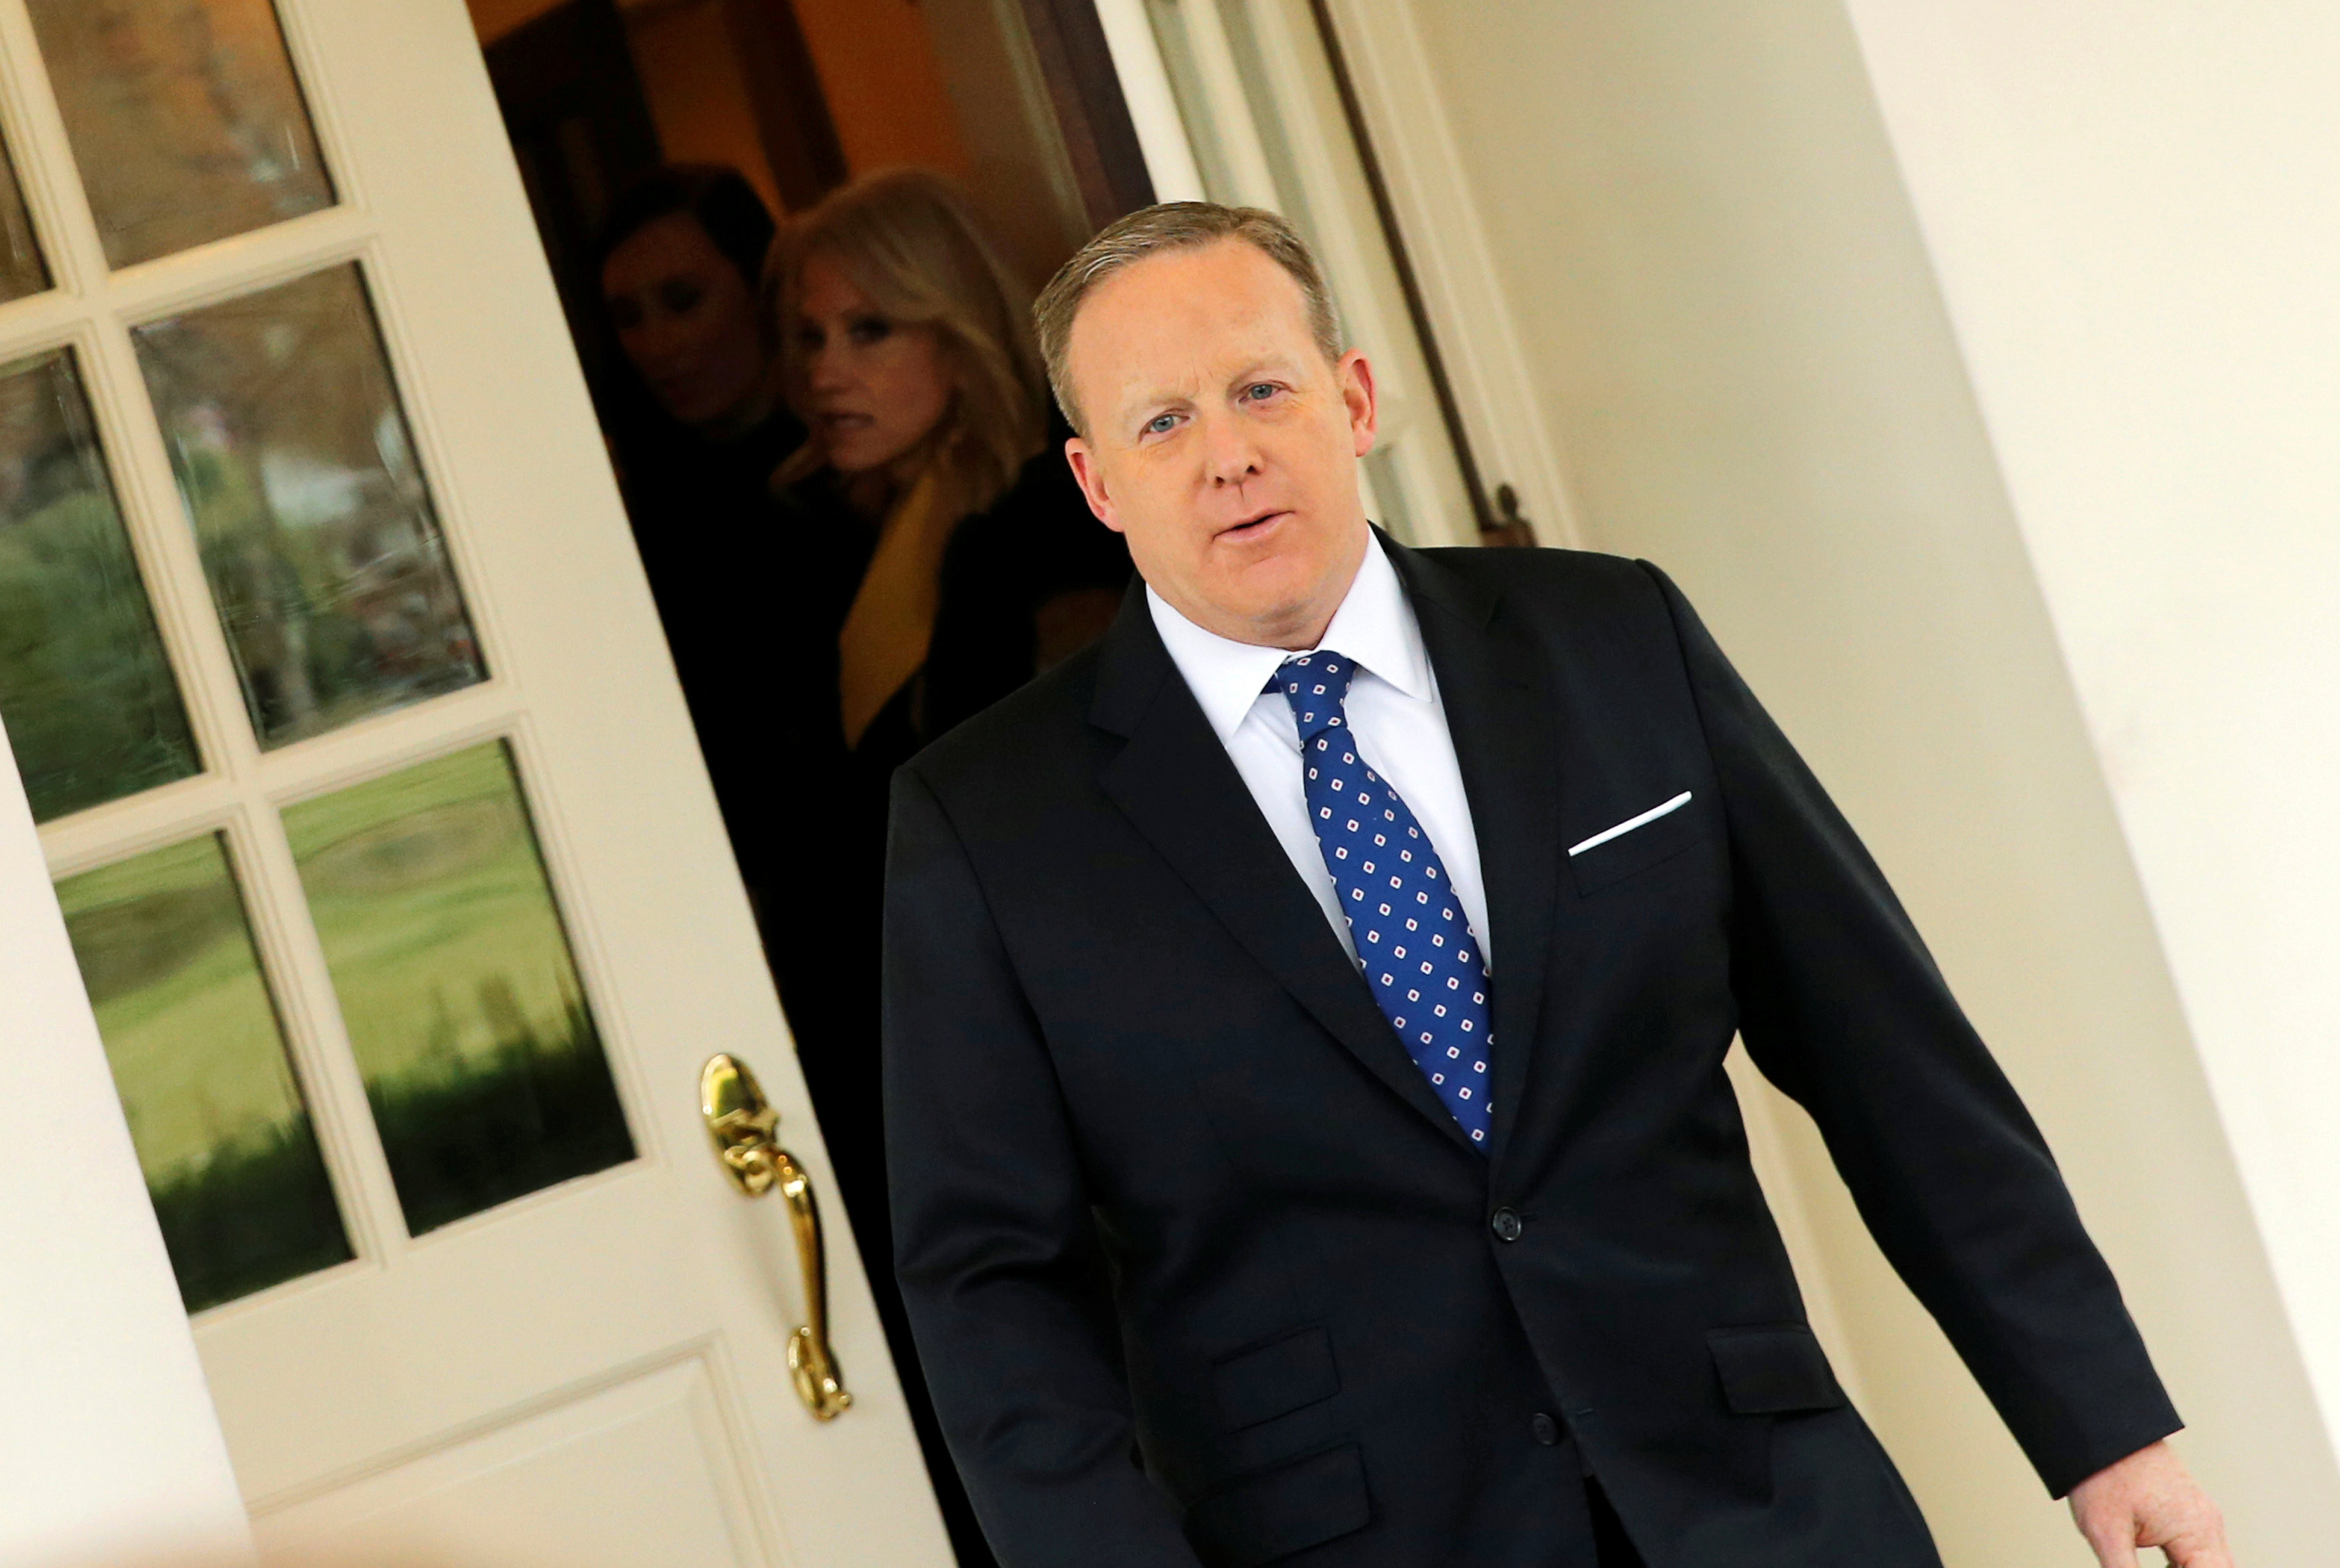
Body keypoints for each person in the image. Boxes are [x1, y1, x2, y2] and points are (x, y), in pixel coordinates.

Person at [880, 203, 2235, 1567]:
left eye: (1262, 389)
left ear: (1354, 400)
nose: (1228, 453)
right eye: (1163, 422)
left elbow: (1887, 1054)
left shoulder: (1617, 638)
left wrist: (2102, 1425)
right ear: (1096, 482)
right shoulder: (991, 825)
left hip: (1763, 1504)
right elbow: (993, 1296)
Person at [761, 167, 1131, 1568]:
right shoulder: (828, 545)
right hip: (907, 1049)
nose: (825, 371)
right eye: (806, 336)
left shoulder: (1046, 528)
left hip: (1046, 1063)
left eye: (870, 330)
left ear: (957, 327)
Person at [591, 165, 817, 913]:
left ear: (758, 289)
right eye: (627, 317)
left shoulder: (849, 468)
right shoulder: (633, 506)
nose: (657, 344)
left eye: (684, 300)